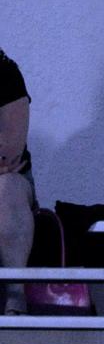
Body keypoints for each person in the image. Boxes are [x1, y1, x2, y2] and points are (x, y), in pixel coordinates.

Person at [0, 49, 35, 316]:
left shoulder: (4, 72)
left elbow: (8, 152)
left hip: (6, 183)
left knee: (6, 187)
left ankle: (14, 293)